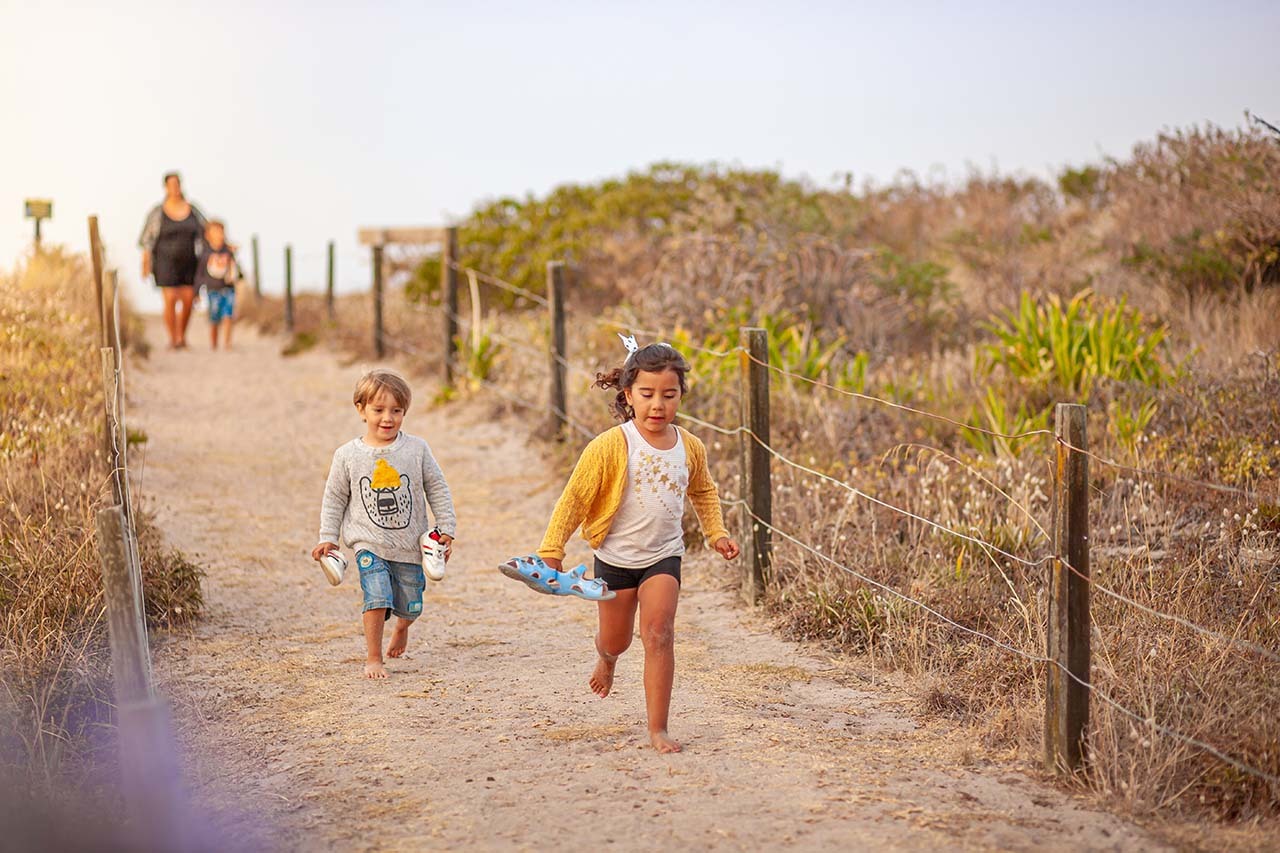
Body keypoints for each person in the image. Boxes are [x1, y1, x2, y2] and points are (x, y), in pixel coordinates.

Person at [537, 337, 740, 753]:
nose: (657, 405)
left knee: (659, 633)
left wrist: (716, 533)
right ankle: (607, 659)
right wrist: (552, 548)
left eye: (669, 395)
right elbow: (575, 497)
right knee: (617, 639)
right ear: (628, 394)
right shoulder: (612, 446)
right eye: (647, 395)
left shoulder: (690, 447)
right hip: (614, 558)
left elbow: (704, 492)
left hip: (663, 556)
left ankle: (657, 728)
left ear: (681, 395)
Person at [311, 369, 457, 679]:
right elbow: (334, 497)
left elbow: (438, 487)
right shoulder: (347, 455)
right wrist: (328, 537)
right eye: (378, 410)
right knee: (376, 596)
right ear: (361, 409)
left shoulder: (417, 450)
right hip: (368, 543)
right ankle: (373, 658)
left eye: (396, 410)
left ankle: (402, 626)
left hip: (409, 544)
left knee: (411, 604)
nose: (387, 418)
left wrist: (446, 528)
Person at [139, 172, 207, 349]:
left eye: (177, 184)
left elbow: (208, 230)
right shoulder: (157, 212)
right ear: (166, 187)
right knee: (169, 299)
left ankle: (182, 335)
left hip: (189, 261)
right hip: (164, 261)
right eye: (171, 184)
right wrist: (145, 263)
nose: (175, 188)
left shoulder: (193, 210)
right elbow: (147, 239)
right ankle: (173, 338)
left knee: (187, 300)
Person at [194, 220, 241, 350]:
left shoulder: (229, 252)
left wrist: (236, 275)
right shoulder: (205, 254)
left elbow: (235, 269)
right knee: (214, 317)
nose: (219, 235)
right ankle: (214, 343)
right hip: (212, 290)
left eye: (221, 232)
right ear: (208, 236)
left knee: (228, 315)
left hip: (228, 288)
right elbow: (200, 275)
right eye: (215, 232)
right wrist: (197, 292)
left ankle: (227, 343)